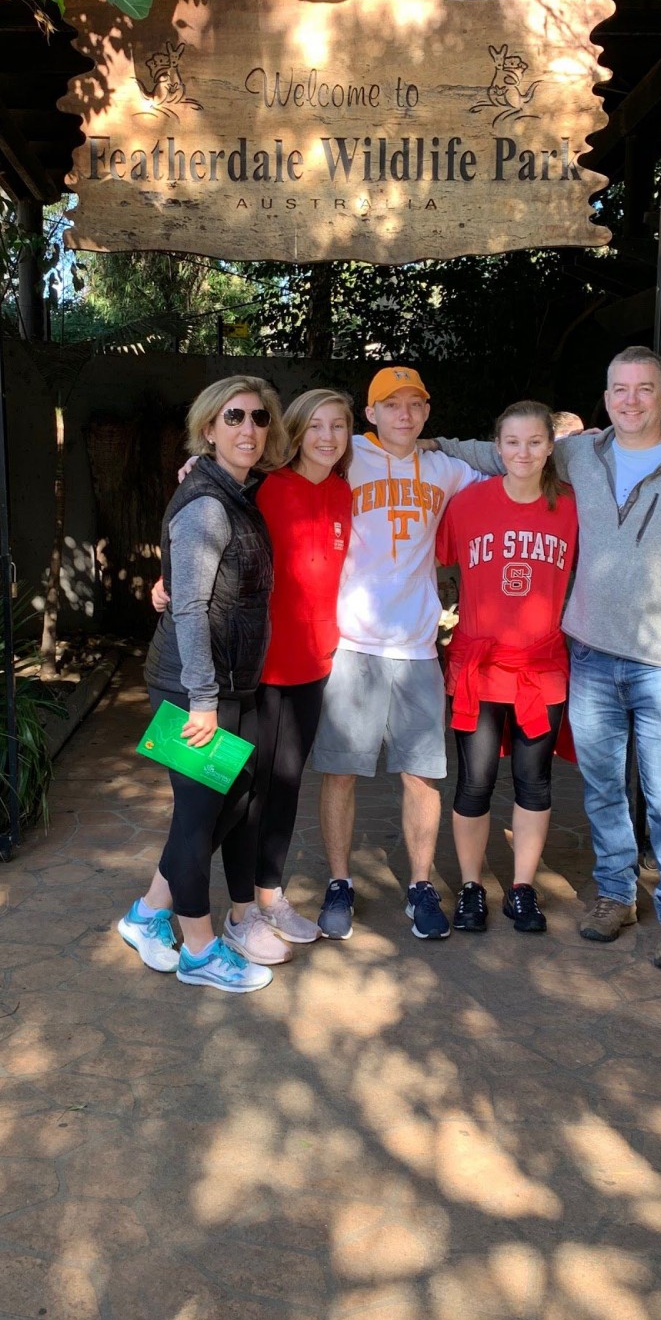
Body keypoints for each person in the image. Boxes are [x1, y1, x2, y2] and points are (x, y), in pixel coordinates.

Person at [435, 347, 661, 971]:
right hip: (587, 653)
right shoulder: (580, 455)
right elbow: (504, 450)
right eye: (620, 389)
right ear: (607, 396)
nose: (631, 400)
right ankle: (616, 895)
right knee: (604, 788)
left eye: (644, 389)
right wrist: (424, 442)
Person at [151, 385, 356, 948]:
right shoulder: (258, 486)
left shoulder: (342, 491)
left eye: (338, 426)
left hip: (312, 663)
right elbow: (196, 539)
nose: (327, 437)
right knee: (235, 798)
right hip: (251, 669)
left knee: (280, 788)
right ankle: (237, 913)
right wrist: (168, 580)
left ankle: (265, 898)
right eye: (315, 426)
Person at [117, 376, 287, 993]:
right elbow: (188, 608)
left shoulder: (234, 490)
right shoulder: (209, 504)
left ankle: (146, 914)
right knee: (197, 817)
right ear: (209, 427)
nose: (248, 428)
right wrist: (204, 702)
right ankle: (199, 951)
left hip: (229, 682)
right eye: (233, 417)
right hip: (194, 687)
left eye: (259, 418)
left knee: (230, 802)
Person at [311, 366, 490, 943]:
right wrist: (199, 465)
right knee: (341, 772)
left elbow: (512, 465)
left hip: (416, 646)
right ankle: (339, 882)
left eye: (415, 404)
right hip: (352, 643)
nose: (404, 414)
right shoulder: (346, 456)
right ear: (371, 414)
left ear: (427, 412)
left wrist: (577, 446)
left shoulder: (445, 468)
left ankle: (419, 886)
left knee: (422, 776)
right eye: (391, 405)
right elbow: (272, 466)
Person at [436, 402, 578, 935]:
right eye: (512, 442)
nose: (523, 452)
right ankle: (472, 887)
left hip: (542, 669)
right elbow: (423, 559)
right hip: (479, 668)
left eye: (535, 442)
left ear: (550, 447)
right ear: (497, 448)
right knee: (475, 782)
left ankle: (521, 888)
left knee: (533, 782)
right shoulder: (467, 504)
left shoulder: (571, 508)